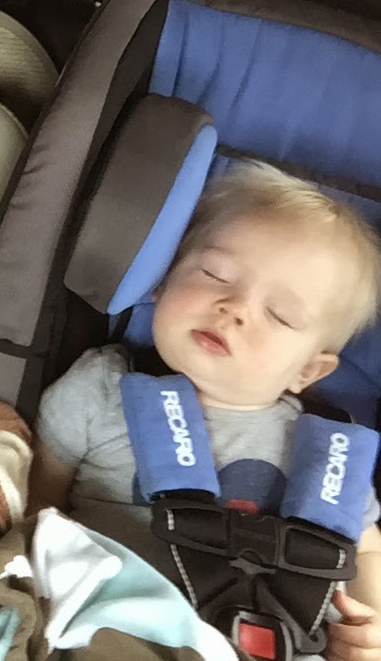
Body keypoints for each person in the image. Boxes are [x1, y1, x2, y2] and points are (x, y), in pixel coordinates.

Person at [28, 161, 381, 660]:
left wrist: (370, 624)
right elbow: (35, 501)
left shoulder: (327, 453)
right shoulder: (102, 387)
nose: (234, 308)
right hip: (119, 631)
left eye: (279, 315)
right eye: (214, 274)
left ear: (308, 370)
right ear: (162, 282)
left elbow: (365, 547)